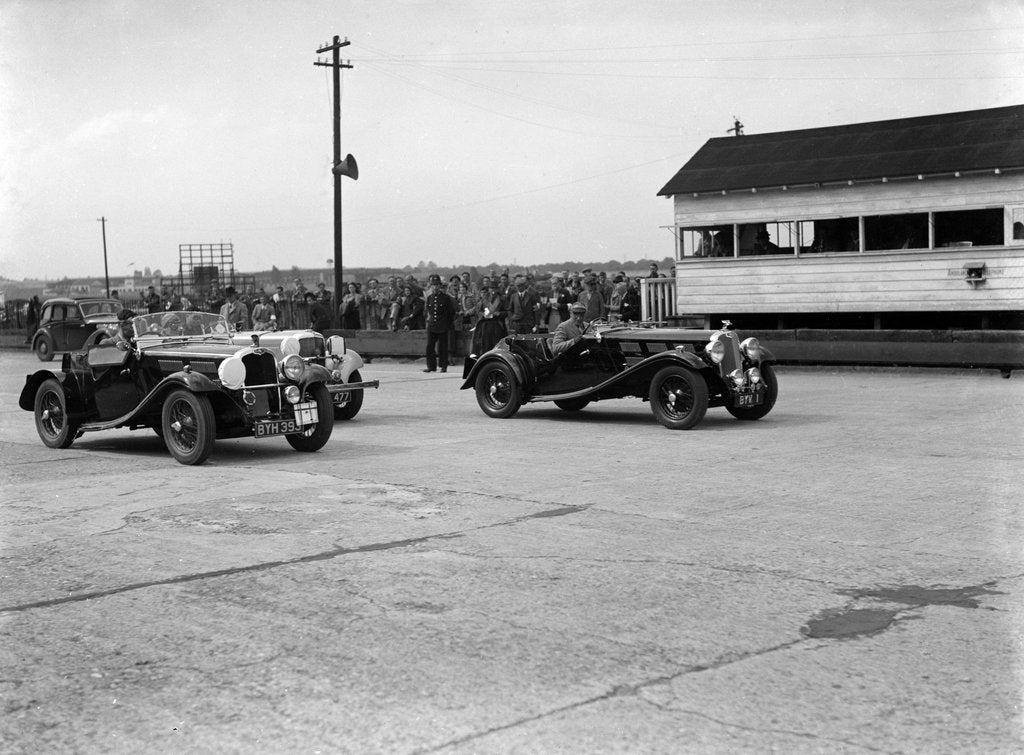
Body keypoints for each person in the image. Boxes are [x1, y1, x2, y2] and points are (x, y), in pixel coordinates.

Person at [423, 274, 455, 373]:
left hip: (443, 325)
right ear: (431, 286)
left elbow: (451, 312)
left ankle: (443, 366)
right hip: (432, 325)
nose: (435, 287)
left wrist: (447, 324)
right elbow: (428, 311)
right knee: (430, 347)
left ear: (440, 286)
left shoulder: (445, 298)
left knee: (443, 347)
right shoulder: (429, 298)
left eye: (437, 285)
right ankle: (431, 366)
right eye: (433, 285)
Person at [470, 282, 507, 356]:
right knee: (486, 345)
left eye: (494, 288)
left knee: (497, 344)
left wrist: (499, 313)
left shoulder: (502, 299)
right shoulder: (484, 299)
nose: (492, 290)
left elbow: (506, 312)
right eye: (491, 288)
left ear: (497, 289)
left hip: (497, 324)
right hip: (486, 325)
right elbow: (478, 311)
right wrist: (483, 314)